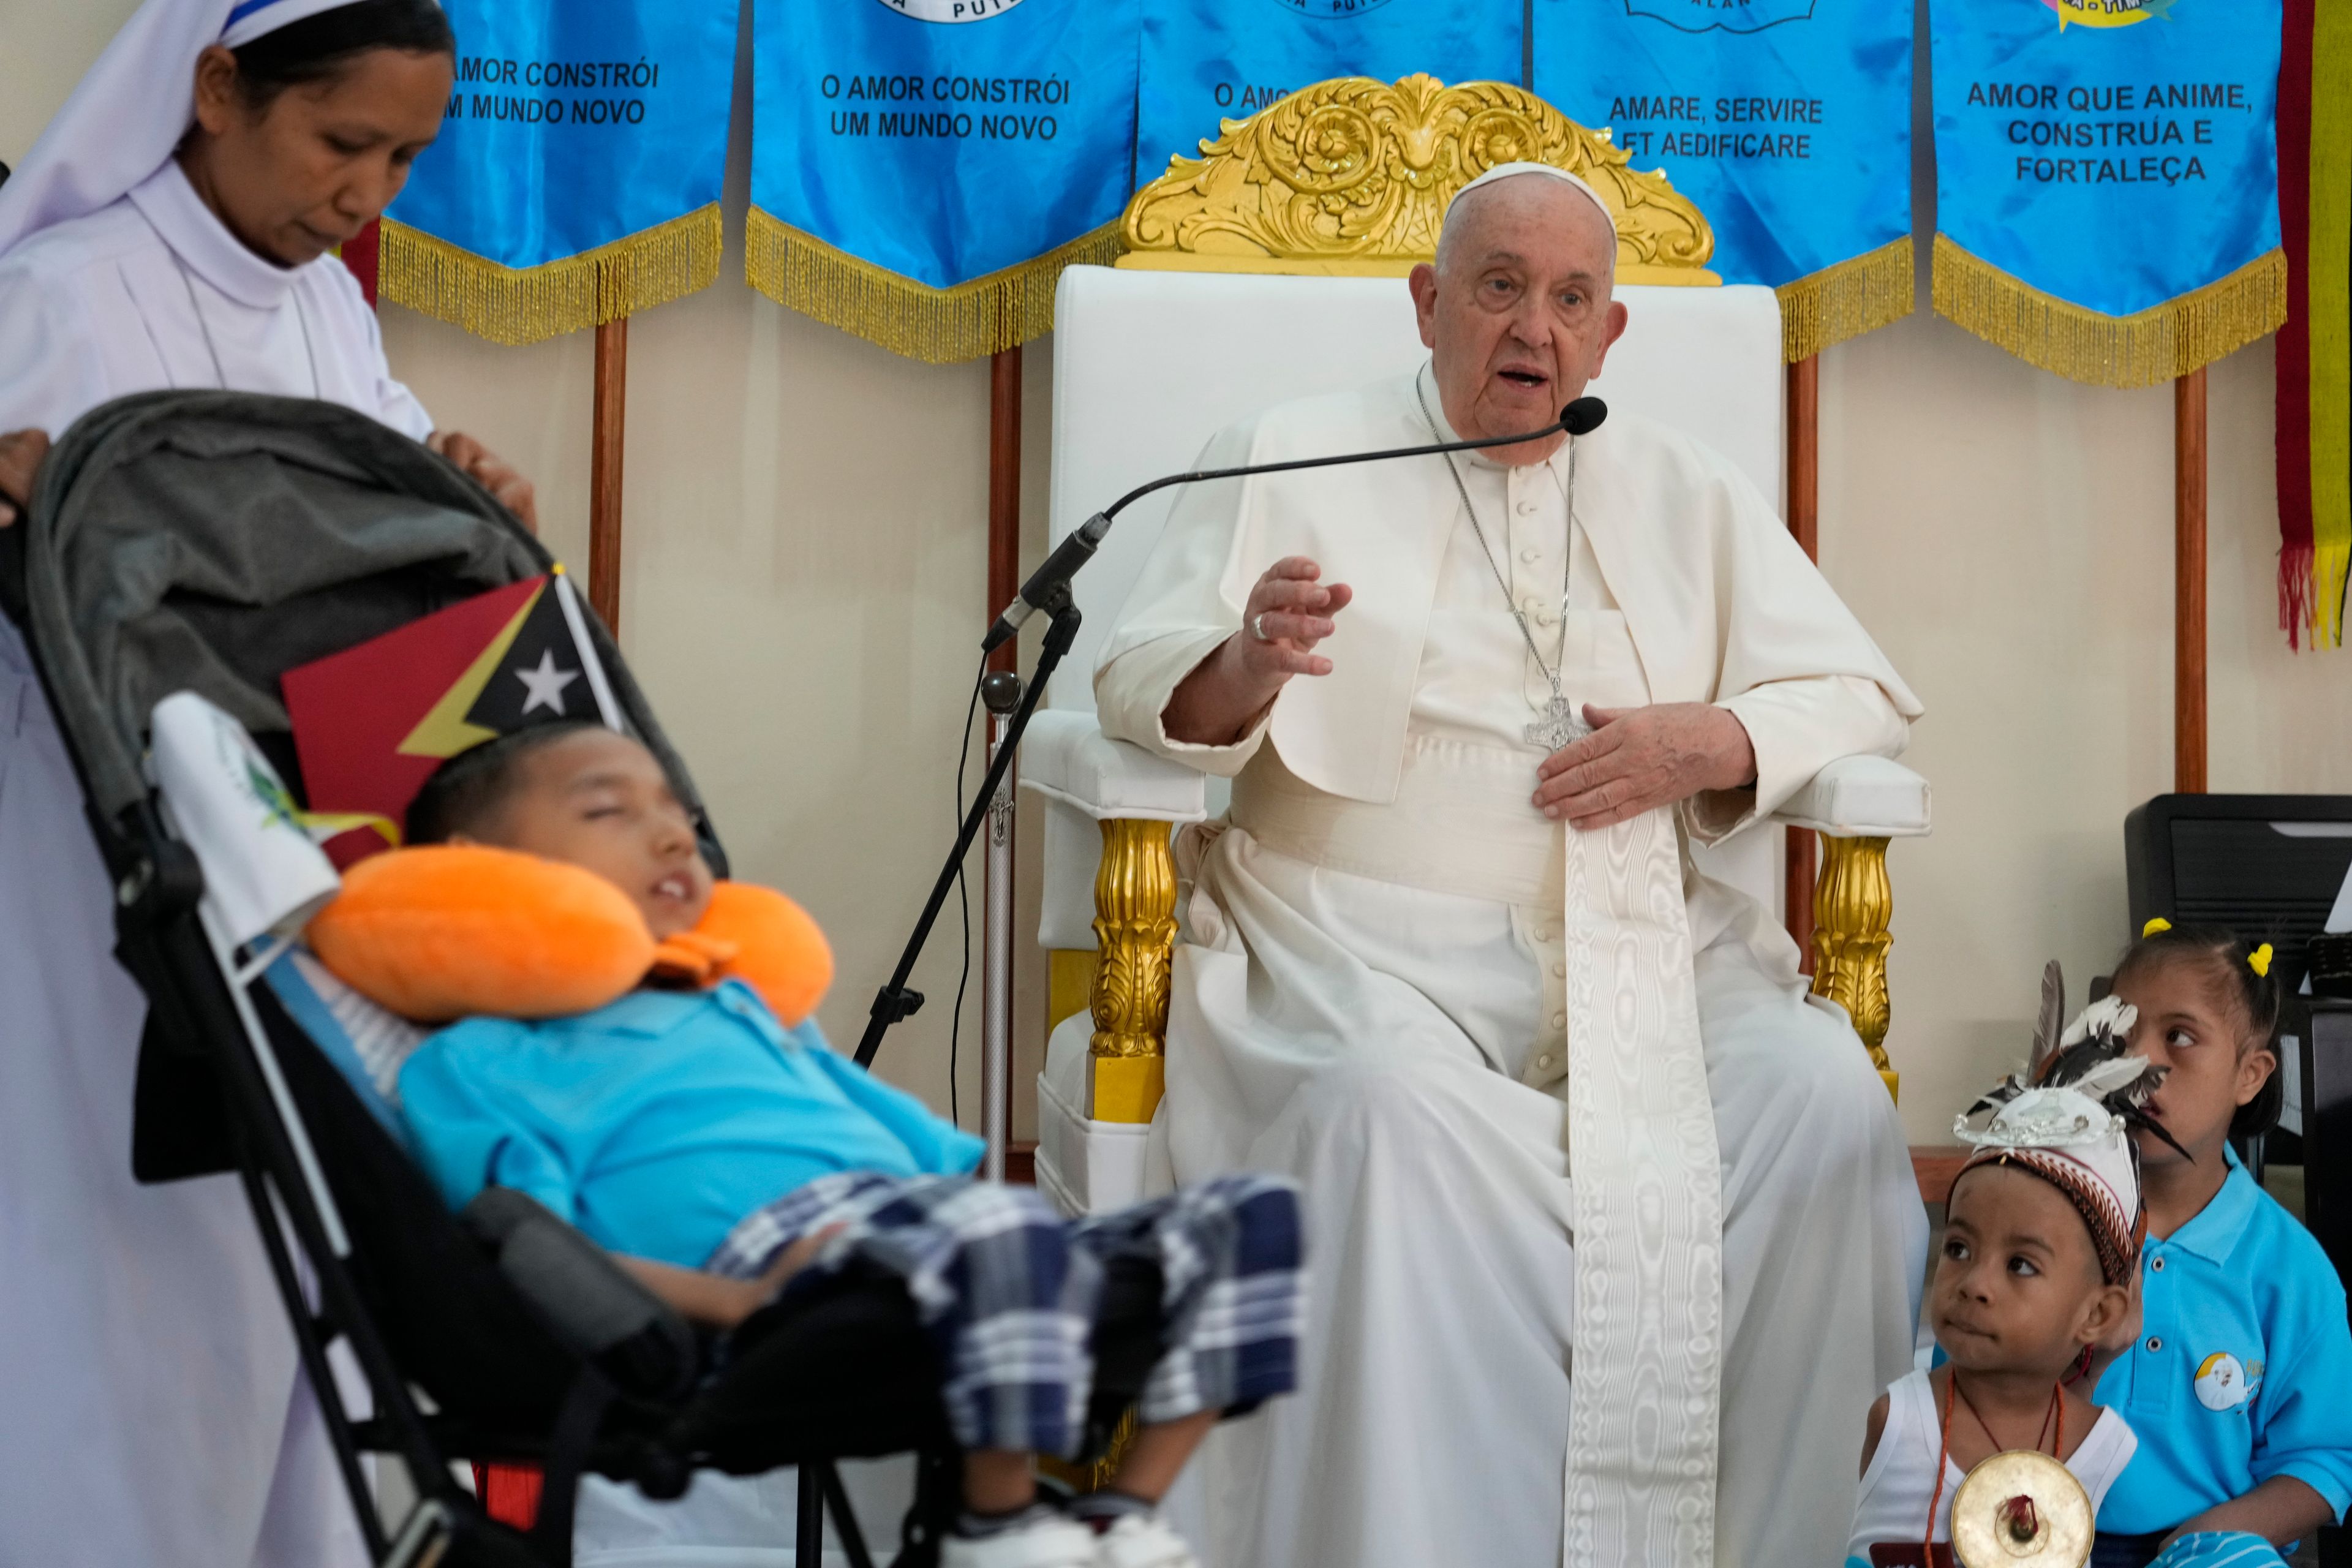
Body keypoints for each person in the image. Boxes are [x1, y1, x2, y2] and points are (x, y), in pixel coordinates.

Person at [1093, 160, 1929, 1566]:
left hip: (1647, 944)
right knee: (1380, 1112)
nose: (1531, 328)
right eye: (1496, 289)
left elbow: (1857, 689)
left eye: (1568, 298)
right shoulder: (1289, 450)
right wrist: (1242, 660)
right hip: (1347, 939)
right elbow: (1136, 685)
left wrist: (1715, 736)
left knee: (1820, 1090)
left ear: (1608, 336)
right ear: (1427, 304)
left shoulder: (1683, 487)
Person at [0, 4, 536, 1562]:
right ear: (218, 87)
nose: (367, 192)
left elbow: (355, 563)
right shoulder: (51, 295)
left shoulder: (324, 314)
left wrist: (463, 500)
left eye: (406, 157)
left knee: (280, 1249)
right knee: (115, 1255)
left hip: (299, 851)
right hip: (78, 854)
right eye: (342, 143)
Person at [388, 722, 1307, 1568]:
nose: (673, 836)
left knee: (1253, 1217)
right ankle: (994, 1524)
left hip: (908, 1237)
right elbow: (531, 1255)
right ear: (479, 870)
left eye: (680, 814)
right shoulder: (483, 1059)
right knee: (994, 1228)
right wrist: (743, 1302)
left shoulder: (733, 1005)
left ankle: (1123, 1516)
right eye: (608, 810)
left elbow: (924, 1160)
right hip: (776, 1294)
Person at [1845, 1002, 2150, 1566]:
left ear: (2099, 1315)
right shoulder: (1898, 1419)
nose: (1974, 1284)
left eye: (2021, 1265)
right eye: (1958, 1249)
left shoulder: (2102, 1444)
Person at [2089, 922, 2352, 1565]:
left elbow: (2323, 1460)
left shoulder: (2292, 1270)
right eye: (2117, 1038)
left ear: (2250, 1074)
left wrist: (2202, 1542)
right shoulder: (2045, 1227)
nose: (2140, 1062)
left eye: (2179, 1036)